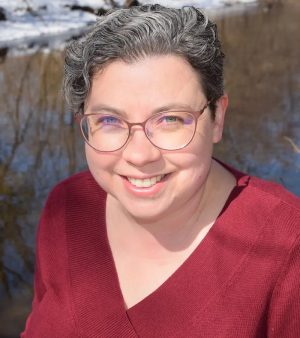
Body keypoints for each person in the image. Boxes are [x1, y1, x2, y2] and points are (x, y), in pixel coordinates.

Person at [22, 4, 300, 337]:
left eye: (170, 120)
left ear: (217, 119)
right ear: (85, 124)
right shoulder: (66, 207)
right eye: (109, 120)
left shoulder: (287, 248)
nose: (139, 155)